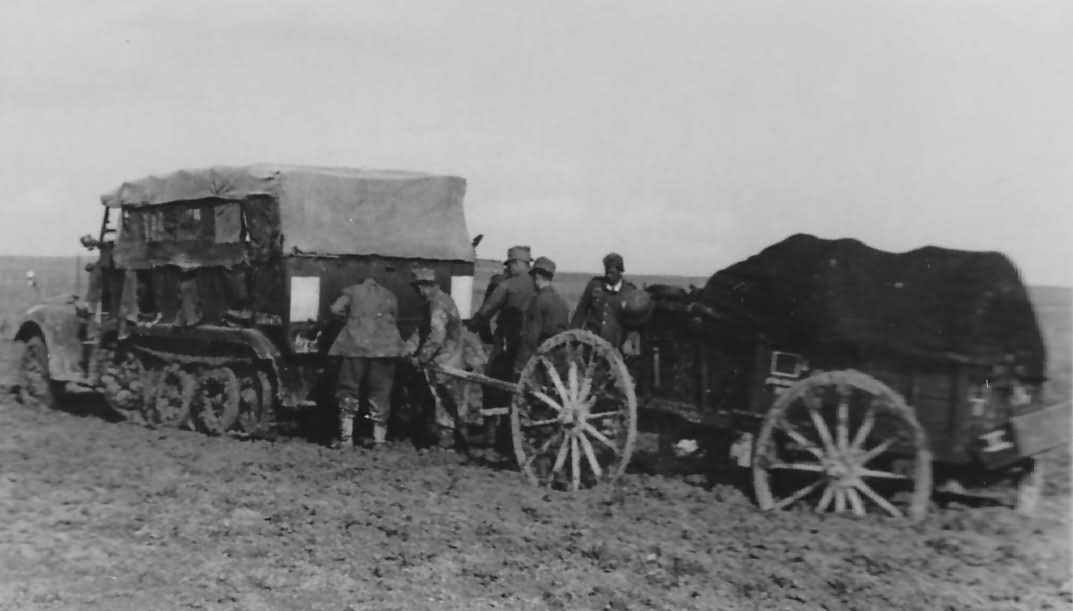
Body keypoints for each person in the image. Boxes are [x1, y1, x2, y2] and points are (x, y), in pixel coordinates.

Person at [327, 276, 407, 450]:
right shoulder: (389, 295)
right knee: (381, 392)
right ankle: (379, 439)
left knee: (348, 389)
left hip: (355, 345)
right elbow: (395, 316)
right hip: (384, 348)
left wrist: (349, 320)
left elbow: (335, 310)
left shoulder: (351, 292)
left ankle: (346, 438)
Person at [408, 266, 467, 450]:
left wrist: (421, 358)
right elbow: (421, 331)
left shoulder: (438, 304)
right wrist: (407, 348)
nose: (417, 292)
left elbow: (436, 336)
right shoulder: (438, 301)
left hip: (446, 361)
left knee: (445, 401)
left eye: (418, 287)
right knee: (446, 401)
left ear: (424, 286)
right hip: (449, 357)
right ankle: (451, 441)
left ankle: (447, 444)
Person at [571, 252, 641, 354]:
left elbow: (635, 322)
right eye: (606, 271)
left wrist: (630, 341)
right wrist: (573, 337)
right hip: (592, 344)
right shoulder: (594, 285)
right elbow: (580, 313)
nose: (608, 275)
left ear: (620, 271)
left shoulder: (629, 291)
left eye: (611, 272)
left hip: (616, 347)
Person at [77, 234, 139, 340]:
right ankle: (100, 327)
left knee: (121, 297)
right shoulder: (105, 260)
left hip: (120, 272)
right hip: (114, 272)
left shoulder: (118, 251)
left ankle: (117, 327)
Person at [515, 256, 570, 371]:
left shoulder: (538, 301)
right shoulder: (562, 302)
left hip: (542, 363)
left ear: (537, 276)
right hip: (559, 359)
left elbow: (531, 337)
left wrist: (521, 366)